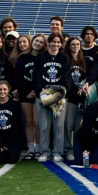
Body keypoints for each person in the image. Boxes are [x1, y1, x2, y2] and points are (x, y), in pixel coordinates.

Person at [33, 33, 72, 163]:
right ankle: (44, 152)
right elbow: (36, 76)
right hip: (43, 96)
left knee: (58, 127)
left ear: (61, 44)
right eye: (53, 42)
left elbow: (67, 78)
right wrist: (40, 92)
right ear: (48, 43)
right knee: (44, 126)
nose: (55, 44)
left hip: (60, 97)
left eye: (58, 42)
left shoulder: (64, 58)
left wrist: (60, 93)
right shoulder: (41, 57)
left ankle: (57, 152)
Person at [65, 37, 92, 163]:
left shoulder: (86, 60)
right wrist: (76, 88)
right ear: (69, 46)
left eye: (77, 44)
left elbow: (92, 75)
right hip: (70, 97)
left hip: (82, 99)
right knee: (67, 126)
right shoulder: (65, 59)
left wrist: (86, 85)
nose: (75, 46)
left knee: (78, 127)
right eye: (72, 44)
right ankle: (67, 150)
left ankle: (76, 149)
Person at [12, 35, 39, 159]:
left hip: (39, 93)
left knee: (37, 122)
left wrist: (36, 91)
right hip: (25, 94)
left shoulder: (43, 57)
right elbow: (18, 77)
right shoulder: (22, 57)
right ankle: (31, 149)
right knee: (28, 122)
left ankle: (38, 148)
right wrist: (26, 91)